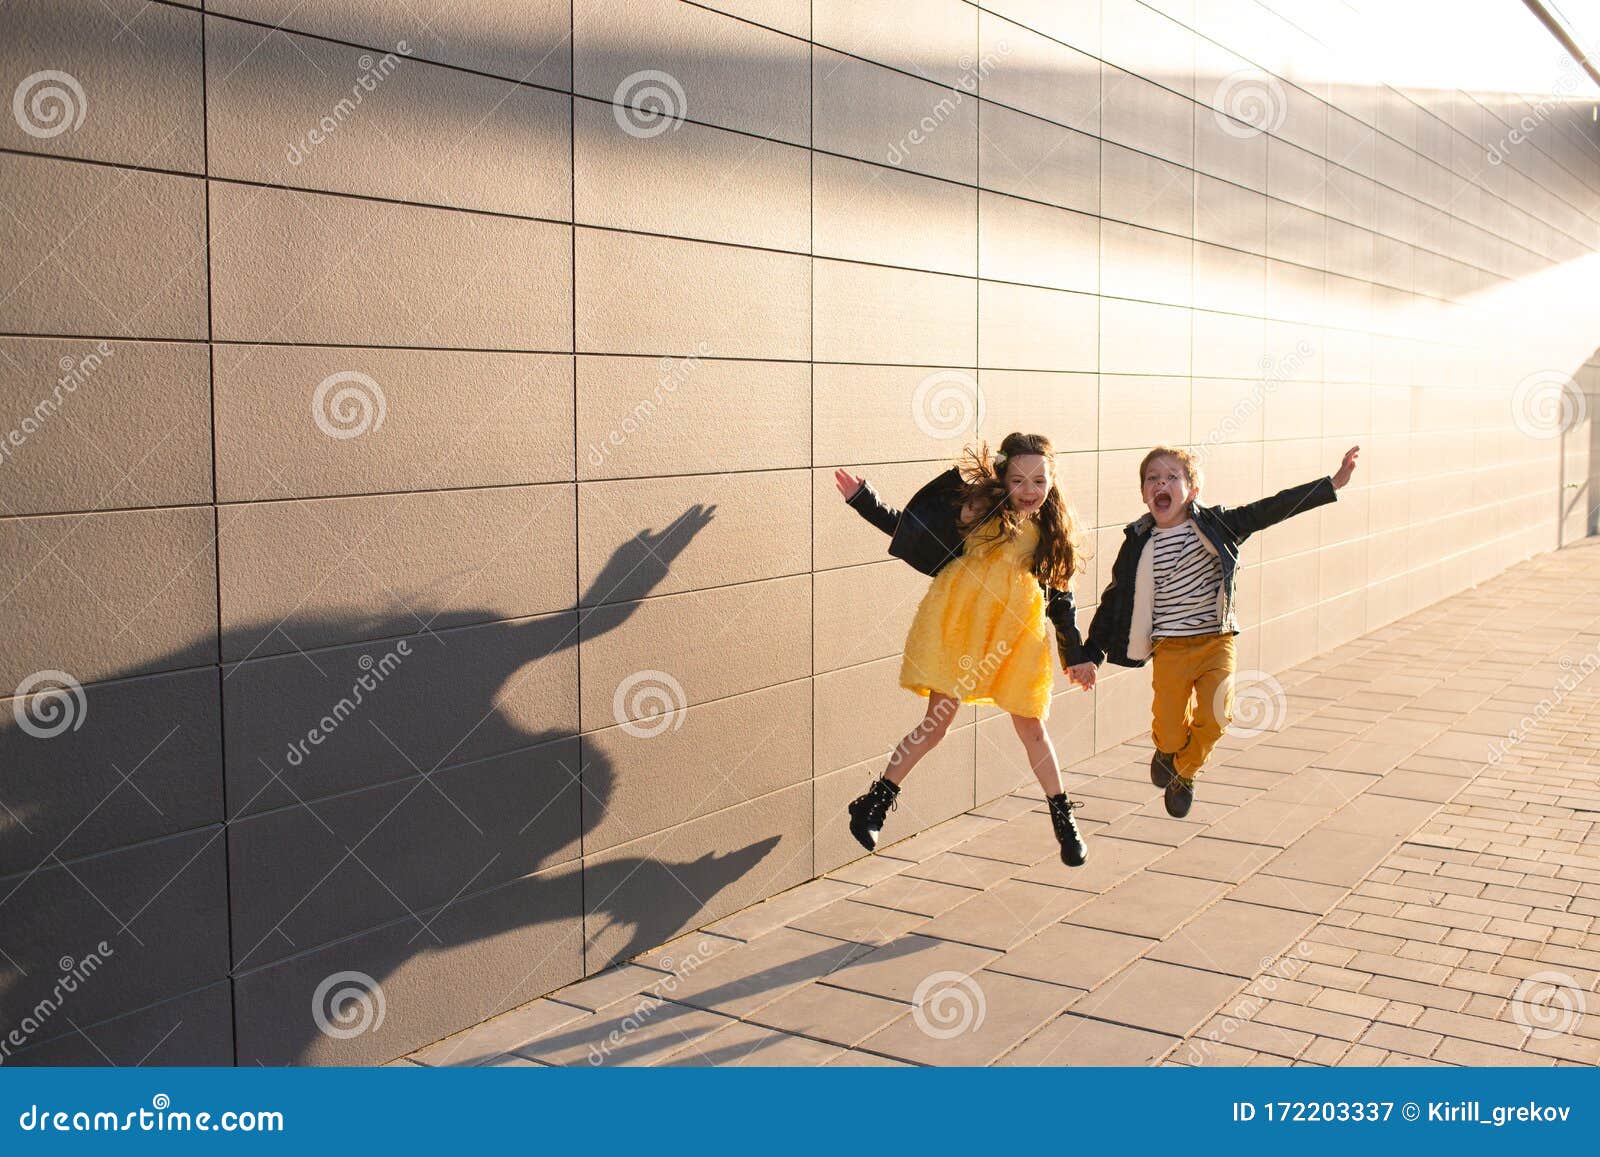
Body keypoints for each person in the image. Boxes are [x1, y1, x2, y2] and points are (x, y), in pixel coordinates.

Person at [835, 431, 1096, 867]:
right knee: (936, 725)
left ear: (1052, 482)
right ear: (1002, 475)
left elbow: (1060, 594)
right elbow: (910, 530)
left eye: (1039, 482)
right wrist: (865, 500)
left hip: (1014, 637)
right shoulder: (977, 509)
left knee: (1032, 727)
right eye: (1019, 480)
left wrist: (1076, 653)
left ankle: (1064, 819)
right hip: (961, 628)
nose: (1029, 491)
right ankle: (873, 802)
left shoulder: (1050, 529)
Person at [1081, 443, 1361, 817]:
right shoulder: (1137, 542)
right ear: (1144, 493)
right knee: (1169, 728)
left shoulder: (1217, 525)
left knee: (1217, 717)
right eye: (1153, 479)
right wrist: (1091, 653)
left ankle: (1185, 773)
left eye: (1171, 477)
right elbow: (1115, 599)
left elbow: (1270, 509)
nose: (1161, 483)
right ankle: (1167, 749)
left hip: (1217, 642)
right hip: (1170, 649)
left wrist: (1332, 484)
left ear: (1193, 491)